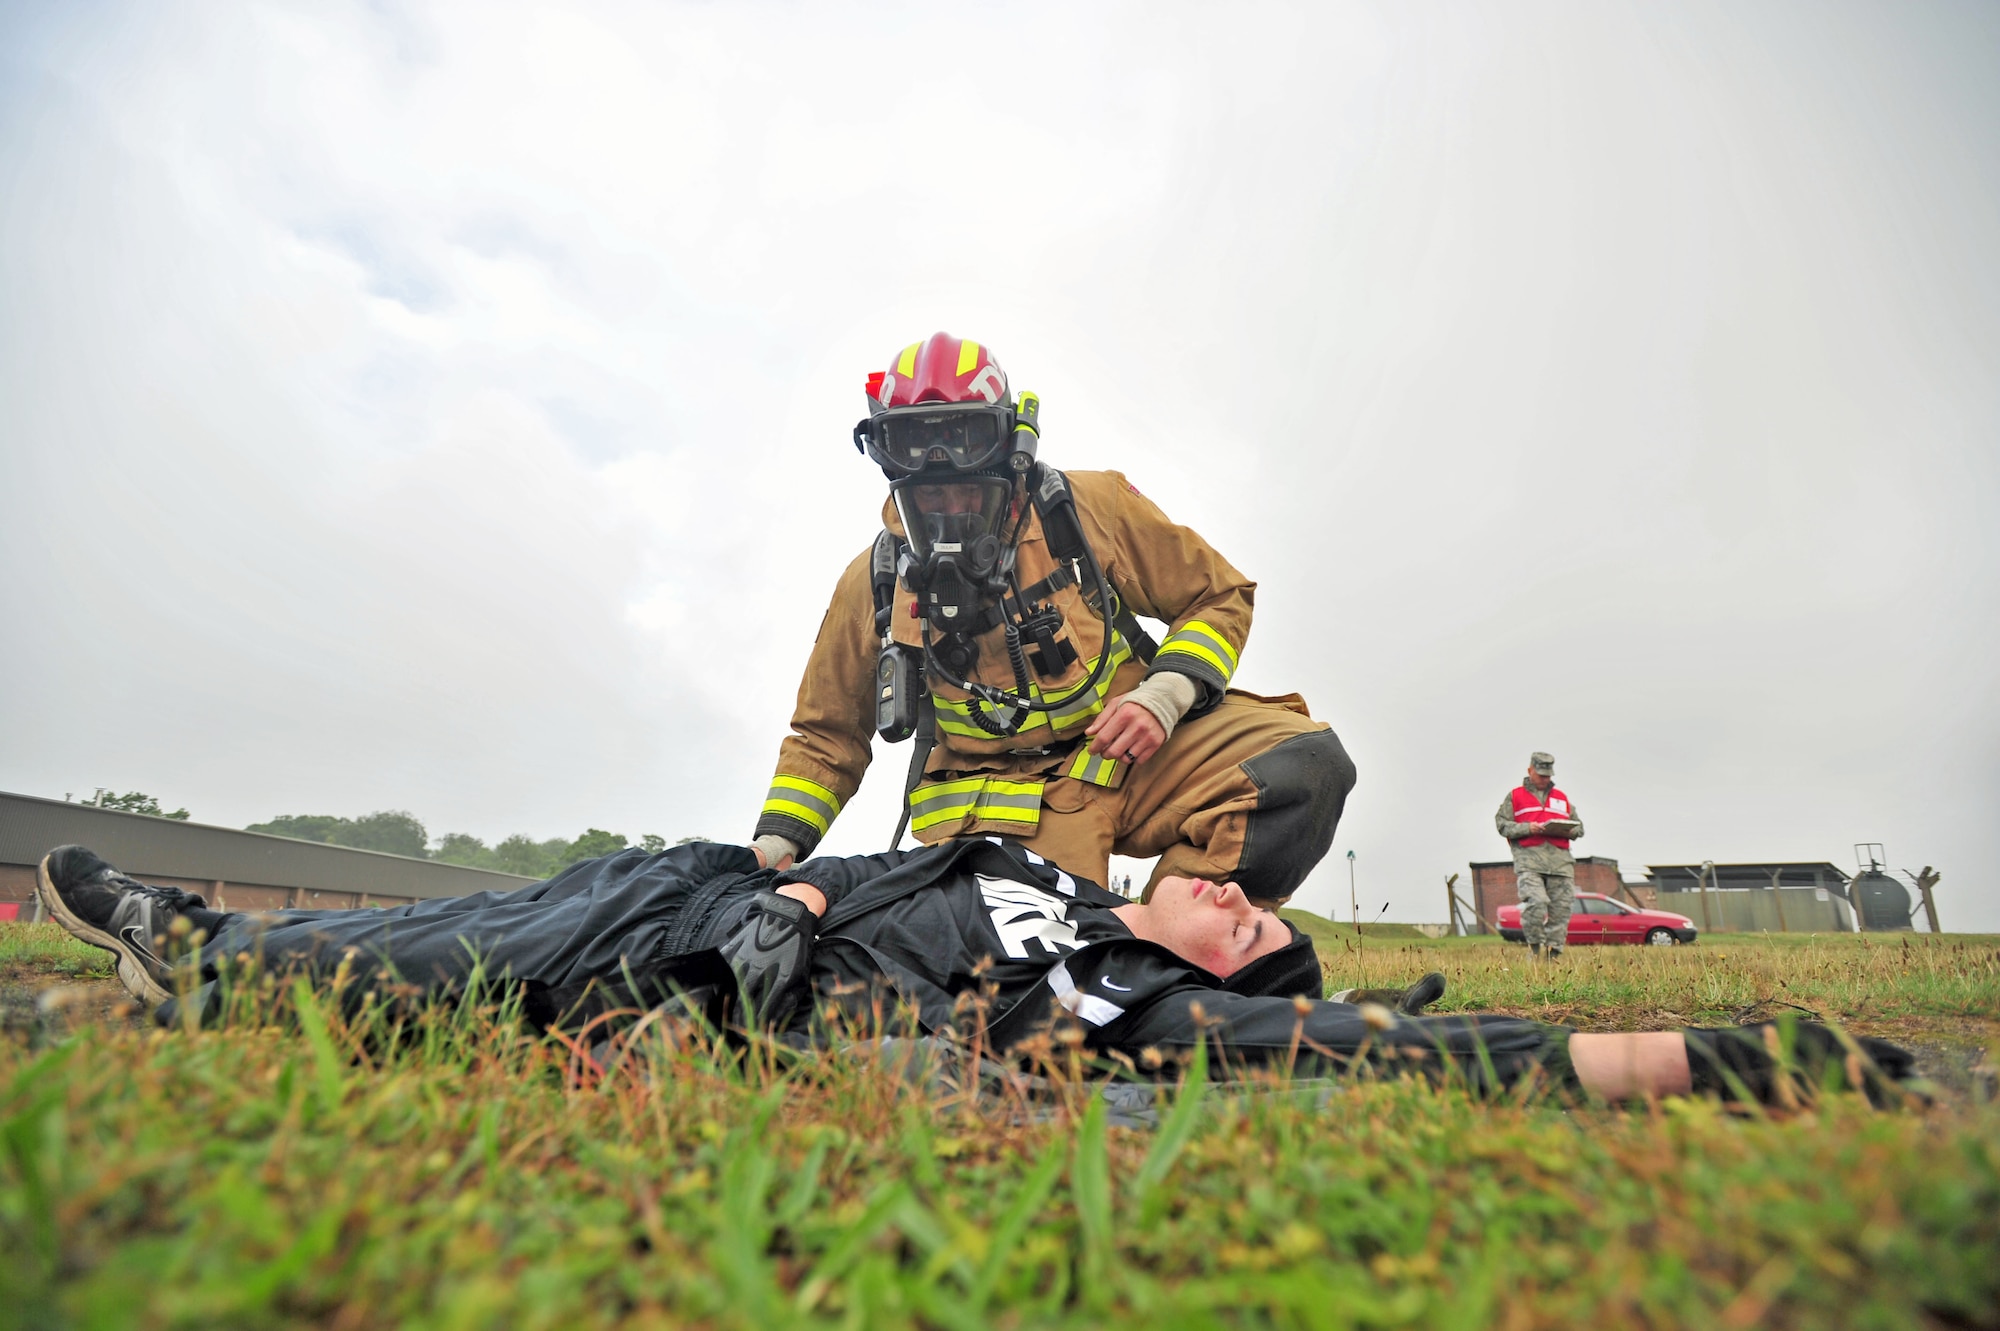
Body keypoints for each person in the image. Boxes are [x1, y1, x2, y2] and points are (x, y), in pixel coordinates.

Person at [35, 841, 1916, 1107]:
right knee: (576, 889)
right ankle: (220, 960)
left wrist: (1799, 1058)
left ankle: (216, 965)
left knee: (537, 949)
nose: (1245, 909)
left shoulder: (1150, 1002)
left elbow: (1467, 1053)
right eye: (1238, 900)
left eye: (1260, 930)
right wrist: (788, 868)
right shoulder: (1031, 862)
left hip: (762, 997)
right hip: (734, 901)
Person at [750, 332, 1354, 908]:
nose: (950, 512)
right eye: (929, 497)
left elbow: (1218, 596)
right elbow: (827, 737)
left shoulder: (1091, 510)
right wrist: (776, 845)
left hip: (1128, 757)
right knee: (1040, 964)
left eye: (968, 492)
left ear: (1011, 458)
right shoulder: (874, 579)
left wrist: (1165, 697)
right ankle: (1117, 962)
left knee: (1304, 768)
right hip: (998, 814)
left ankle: (1184, 953)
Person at [1496, 751, 1582, 959]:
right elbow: (1502, 825)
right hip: (1529, 861)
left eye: (1548, 775)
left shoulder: (1561, 798)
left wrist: (1568, 830)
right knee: (1536, 902)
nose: (1545, 779)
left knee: (1561, 910)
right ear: (1530, 770)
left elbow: (1579, 828)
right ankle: (1534, 949)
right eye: (1541, 774)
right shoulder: (1515, 796)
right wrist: (1528, 828)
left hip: (1560, 863)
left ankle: (1553, 956)